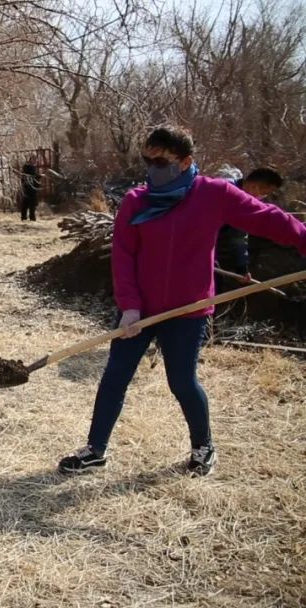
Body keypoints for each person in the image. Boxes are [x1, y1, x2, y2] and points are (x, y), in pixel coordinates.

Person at [58, 126, 306, 477]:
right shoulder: (136, 200)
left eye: (162, 160)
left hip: (187, 311)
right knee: (114, 376)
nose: (153, 166)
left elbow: (268, 219)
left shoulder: (215, 194)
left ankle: (203, 447)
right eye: (148, 159)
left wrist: (304, 241)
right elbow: (124, 256)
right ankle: (95, 450)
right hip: (138, 310)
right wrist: (129, 305)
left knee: (182, 382)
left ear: (187, 160)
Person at [215, 167, 285, 291]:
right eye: (265, 192)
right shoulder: (223, 189)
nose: (263, 197)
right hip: (185, 239)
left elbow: (239, 235)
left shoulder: (244, 204)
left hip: (205, 244)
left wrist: (242, 268)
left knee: (215, 282)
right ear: (255, 187)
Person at [19, 156, 40, 221]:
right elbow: (33, 177)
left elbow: (25, 178)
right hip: (31, 188)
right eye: (34, 160)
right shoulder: (31, 168)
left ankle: (24, 217)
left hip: (27, 187)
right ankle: (31, 218)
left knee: (26, 203)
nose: (35, 162)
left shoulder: (26, 168)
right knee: (31, 204)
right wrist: (39, 177)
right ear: (31, 160)